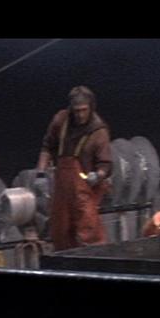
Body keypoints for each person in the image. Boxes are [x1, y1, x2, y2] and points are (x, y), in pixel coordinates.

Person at [35, 85, 112, 251]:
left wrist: (97, 175)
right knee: (60, 228)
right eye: (77, 111)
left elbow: (105, 164)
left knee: (89, 227)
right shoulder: (61, 120)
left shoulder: (99, 131)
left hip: (85, 188)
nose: (80, 115)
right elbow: (47, 147)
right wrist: (40, 174)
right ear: (71, 108)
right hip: (62, 187)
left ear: (91, 107)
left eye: (84, 110)